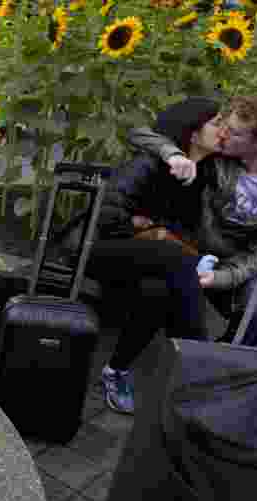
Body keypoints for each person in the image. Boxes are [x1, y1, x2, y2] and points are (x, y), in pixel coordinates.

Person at [129, 92, 257, 346]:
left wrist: (221, 278)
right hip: (192, 242)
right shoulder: (219, 150)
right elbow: (139, 134)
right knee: (156, 288)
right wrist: (172, 153)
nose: (223, 134)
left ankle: (221, 359)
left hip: (240, 259)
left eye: (235, 133)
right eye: (225, 125)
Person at [83, 96, 225, 414]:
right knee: (176, 259)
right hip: (108, 252)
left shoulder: (208, 174)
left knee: (158, 291)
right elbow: (106, 217)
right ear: (192, 132)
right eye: (216, 123)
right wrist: (147, 226)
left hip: (161, 261)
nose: (223, 129)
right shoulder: (149, 164)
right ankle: (198, 365)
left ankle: (115, 370)